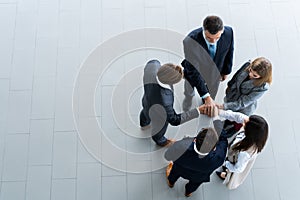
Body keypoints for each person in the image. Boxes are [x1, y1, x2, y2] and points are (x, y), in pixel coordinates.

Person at [164, 108, 248, 197]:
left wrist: (216, 116)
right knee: (194, 185)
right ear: (214, 148)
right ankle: (188, 192)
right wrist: (216, 118)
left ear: (195, 139)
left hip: (180, 168)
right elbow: (223, 138)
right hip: (199, 176)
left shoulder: (181, 146)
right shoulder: (219, 157)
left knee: (173, 174)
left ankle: (171, 183)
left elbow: (167, 156)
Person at [139, 60, 205, 147]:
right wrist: (197, 111)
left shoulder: (152, 66)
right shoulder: (165, 100)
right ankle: (160, 140)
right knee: (158, 129)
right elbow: (174, 119)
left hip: (146, 101)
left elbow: (154, 63)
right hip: (159, 116)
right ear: (171, 82)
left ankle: (144, 123)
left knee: (145, 113)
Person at [182, 15, 234, 112]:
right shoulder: (190, 41)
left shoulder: (229, 33)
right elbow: (193, 70)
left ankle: (206, 104)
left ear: (222, 31)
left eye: (217, 38)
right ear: (203, 30)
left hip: (215, 71)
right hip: (195, 70)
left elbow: (230, 52)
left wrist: (226, 71)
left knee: (212, 90)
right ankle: (188, 99)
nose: (213, 42)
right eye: (209, 38)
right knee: (189, 87)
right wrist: (206, 96)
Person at [216, 57, 272, 137]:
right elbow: (237, 75)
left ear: (261, 77)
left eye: (254, 75)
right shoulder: (248, 65)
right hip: (233, 96)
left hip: (243, 108)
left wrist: (223, 106)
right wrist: (229, 86)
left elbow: (242, 103)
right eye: (250, 71)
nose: (250, 75)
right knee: (227, 116)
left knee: (232, 125)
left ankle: (226, 135)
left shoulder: (262, 87)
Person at [215, 115, 269, 190]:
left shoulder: (245, 153)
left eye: (246, 123)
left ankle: (225, 175)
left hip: (233, 161)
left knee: (230, 171)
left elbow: (238, 168)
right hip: (234, 154)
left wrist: (225, 163)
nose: (244, 121)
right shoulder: (254, 138)